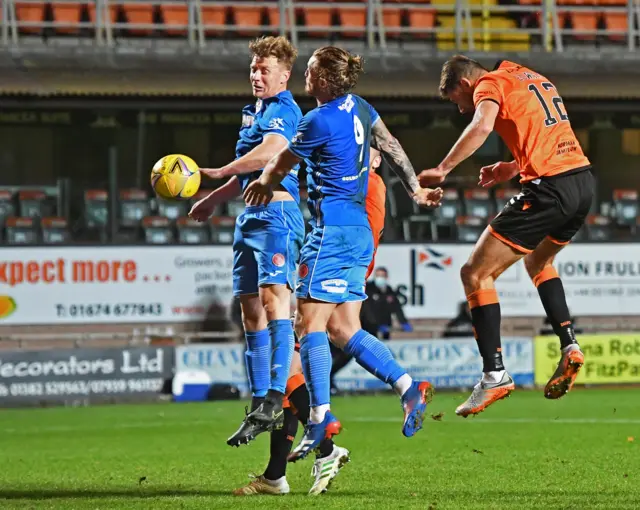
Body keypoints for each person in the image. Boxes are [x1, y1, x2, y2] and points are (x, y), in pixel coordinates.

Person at [243, 46, 443, 457]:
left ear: (322, 80)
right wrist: (416, 189)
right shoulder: (361, 107)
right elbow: (390, 145)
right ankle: (408, 386)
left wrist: (264, 183)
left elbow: (282, 163)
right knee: (343, 329)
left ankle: (318, 419)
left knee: (309, 325)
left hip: (331, 230)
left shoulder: (316, 119)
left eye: (311, 71)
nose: (306, 76)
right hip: (359, 231)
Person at [418, 56, 592, 417]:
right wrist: (512, 167)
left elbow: (481, 127)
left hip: (549, 188)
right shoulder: (531, 75)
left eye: (456, 101)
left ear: (465, 85)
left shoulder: (489, 84)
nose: (462, 109)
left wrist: (442, 168)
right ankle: (569, 344)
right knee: (539, 261)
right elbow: (547, 132)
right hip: (582, 182)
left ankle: (494, 373)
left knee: (475, 273)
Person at [188, 36, 304, 445]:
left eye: (264, 69)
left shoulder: (284, 109)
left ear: (284, 75)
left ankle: (276, 394)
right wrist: (213, 200)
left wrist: (219, 172)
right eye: (253, 68)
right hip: (250, 215)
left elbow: (272, 153)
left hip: (277, 215)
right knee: (249, 308)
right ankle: (258, 402)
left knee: (275, 300)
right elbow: (246, 176)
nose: (256, 75)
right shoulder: (251, 111)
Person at [233, 330, 350, 496]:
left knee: (286, 373)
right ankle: (274, 477)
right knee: (283, 385)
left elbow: (256, 319)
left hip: (298, 321)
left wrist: (258, 399)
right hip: (293, 322)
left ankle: (327, 450)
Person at [365, 266, 413, 340]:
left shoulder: (388, 290)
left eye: (382, 276)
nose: (380, 278)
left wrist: (403, 322)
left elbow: (396, 307)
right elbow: (368, 307)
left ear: (386, 277)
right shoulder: (369, 288)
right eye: (378, 276)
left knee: (385, 345)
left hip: (385, 325)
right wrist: (375, 323)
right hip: (369, 325)